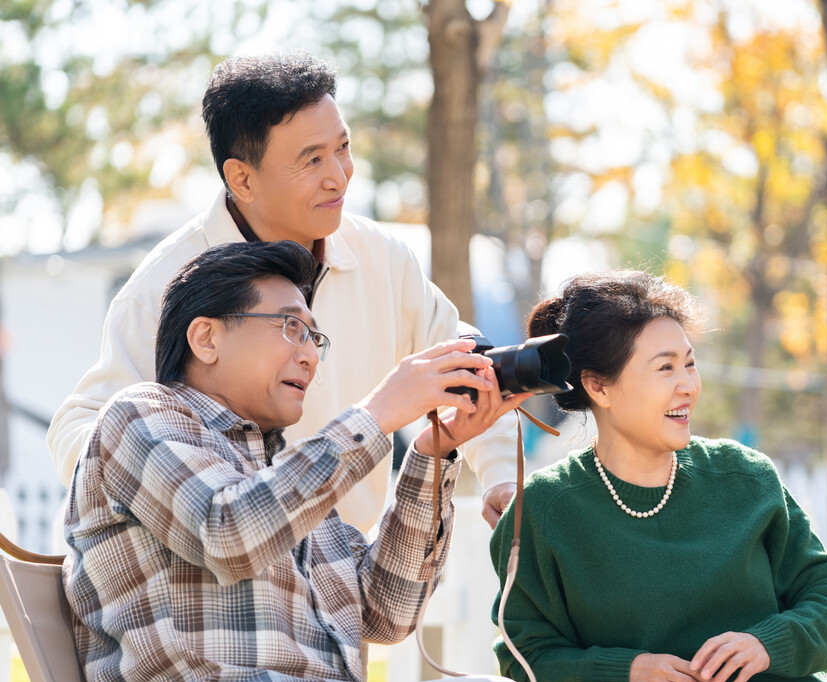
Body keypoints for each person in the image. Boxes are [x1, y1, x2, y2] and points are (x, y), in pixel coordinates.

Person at [47, 50, 518, 532]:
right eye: (312, 159)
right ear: (242, 179)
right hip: (218, 586)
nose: (339, 175)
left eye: (342, 146)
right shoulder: (162, 286)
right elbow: (82, 426)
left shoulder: (383, 256)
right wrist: (178, 500)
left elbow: (464, 360)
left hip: (344, 581)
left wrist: (501, 475)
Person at [63, 240, 527, 682]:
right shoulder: (138, 415)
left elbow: (386, 612)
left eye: (314, 337)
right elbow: (228, 532)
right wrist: (378, 412)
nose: (309, 356)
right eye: (291, 328)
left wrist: (434, 451)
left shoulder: (284, 472)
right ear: (206, 338)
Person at [490, 271, 827, 682]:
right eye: (665, 368)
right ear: (599, 388)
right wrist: (626, 671)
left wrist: (767, 644)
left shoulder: (744, 478)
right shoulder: (544, 510)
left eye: (690, 363)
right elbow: (525, 659)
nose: (687, 385)